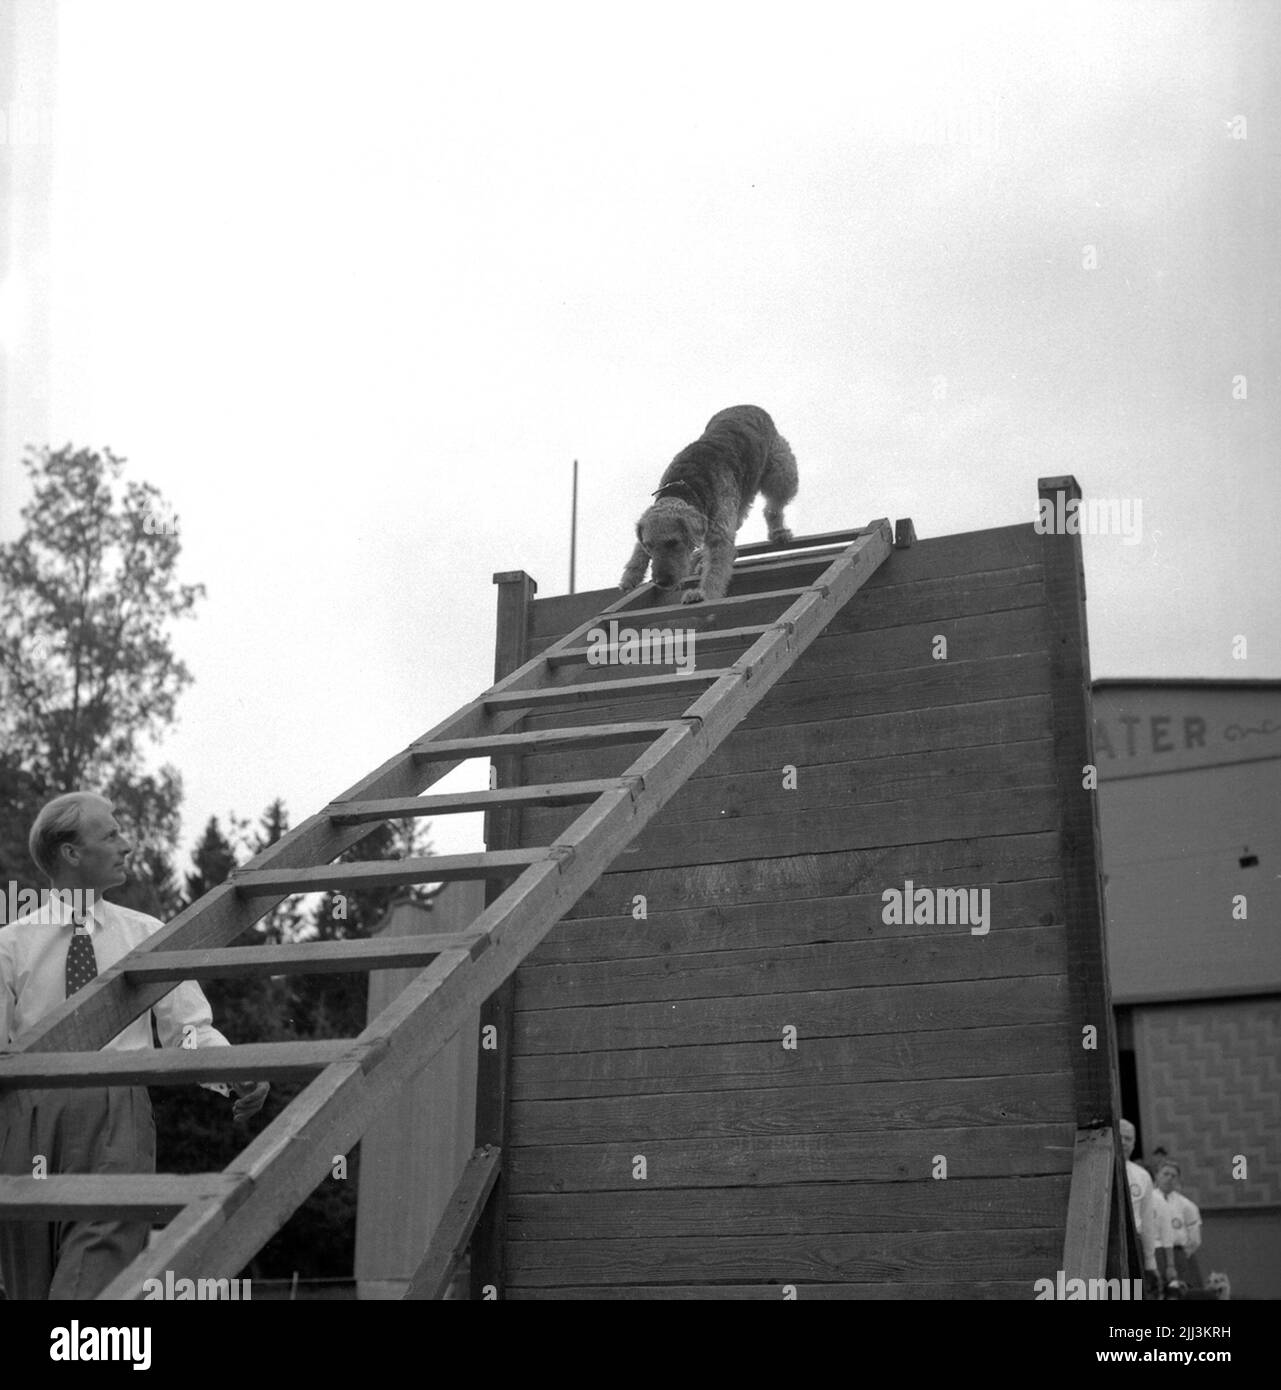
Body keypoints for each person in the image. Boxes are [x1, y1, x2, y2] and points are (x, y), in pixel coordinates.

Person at [0, 792, 270, 1299]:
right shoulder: (10, 945)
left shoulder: (146, 937)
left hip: (117, 1111)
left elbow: (187, 1030)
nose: (127, 843)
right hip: (25, 1118)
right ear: (71, 853)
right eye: (111, 834)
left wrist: (233, 1066)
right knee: (27, 1285)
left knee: (90, 1282)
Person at [1119, 1117, 1177, 1296]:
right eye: (1120, 1136)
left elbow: (1147, 1222)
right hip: (1104, 1240)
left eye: (1128, 1138)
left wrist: (1150, 1261)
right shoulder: (1098, 1170)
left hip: (1133, 1241)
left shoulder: (1142, 1176)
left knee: (1134, 1294)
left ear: (1134, 1143)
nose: (1124, 1142)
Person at [1155, 1159, 1204, 1289]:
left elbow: (1195, 1239)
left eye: (1173, 1176)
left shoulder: (1187, 1206)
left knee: (1181, 1292)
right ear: (1157, 1175)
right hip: (1155, 1253)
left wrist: (1182, 1254)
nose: (1169, 1178)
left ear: (1178, 1180)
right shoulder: (1148, 1201)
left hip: (1179, 1254)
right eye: (1165, 1174)